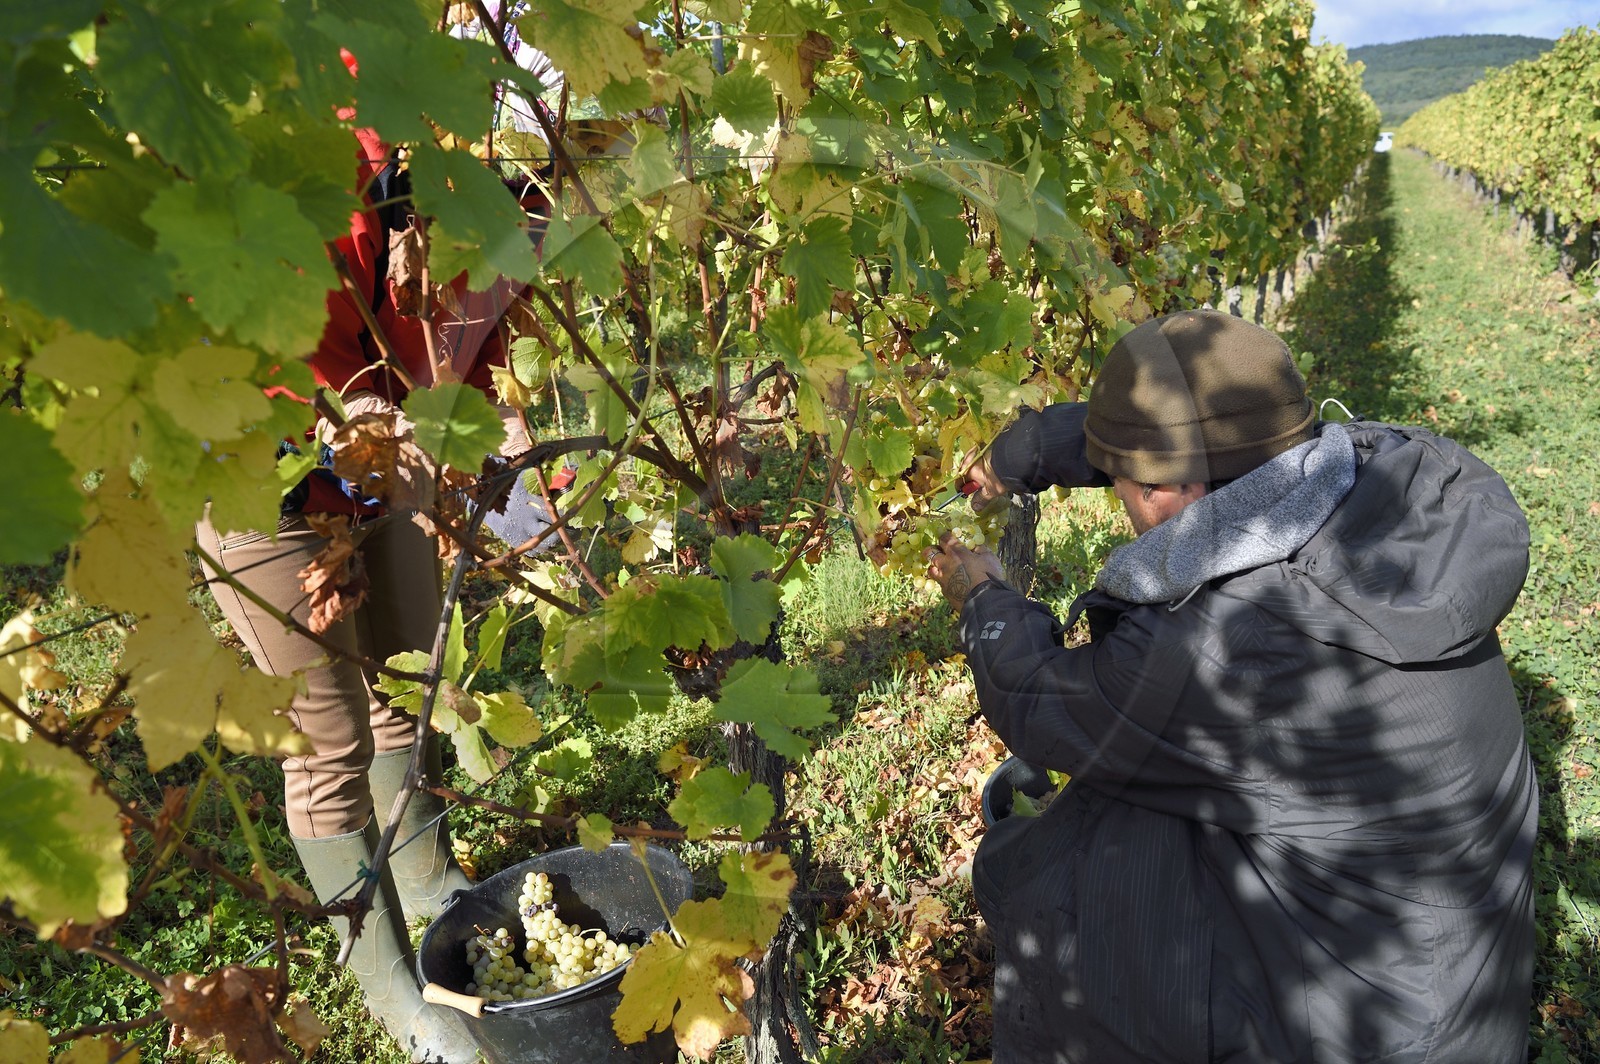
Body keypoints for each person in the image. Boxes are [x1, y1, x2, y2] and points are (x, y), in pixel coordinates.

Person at [925, 309, 1537, 1063]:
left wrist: (983, 598)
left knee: (1051, 888)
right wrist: (1028, 453)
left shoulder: (1215, 646)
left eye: (1118, 479)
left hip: (1372, 1030)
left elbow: (1037, 700)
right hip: (1452, 974)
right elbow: (1208, 443)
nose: (1116, 493)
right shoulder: (1368, 470)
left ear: (1166, 489)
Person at [195, 116, 553, 1061]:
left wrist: (465, 431)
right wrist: (364, 411)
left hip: (379, 447)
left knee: (404, 678)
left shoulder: (493, 165)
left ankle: (430, 889)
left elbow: (467, 333)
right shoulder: (324, 115)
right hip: (252, 463)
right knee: (329, 736)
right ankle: (399, 1001)